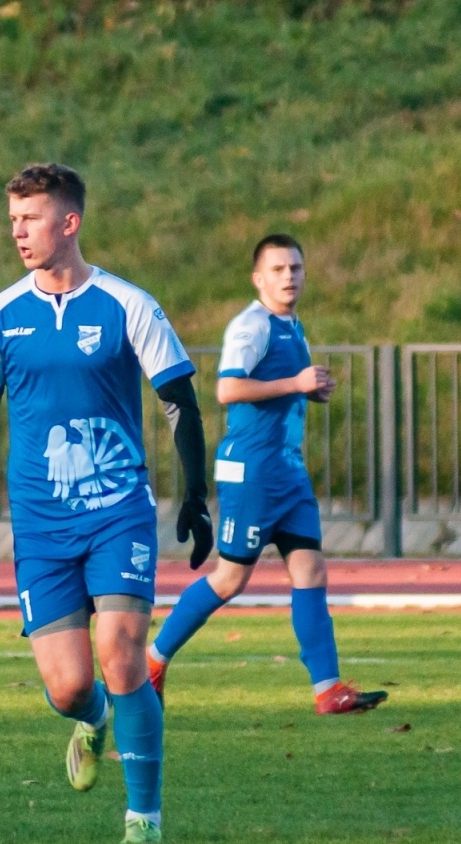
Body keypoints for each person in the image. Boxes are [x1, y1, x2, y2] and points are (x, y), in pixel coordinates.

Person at [0, 163, 212, 844]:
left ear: (69, 222)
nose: (18, 232)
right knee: (70, 686)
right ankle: (93, 720)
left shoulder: (129, 305)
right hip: (41, 526)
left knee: (121, 653)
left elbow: (179, 402)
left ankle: (144, 820)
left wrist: (196, 495)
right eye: (13, 220)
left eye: (31, 218)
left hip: (117, 511)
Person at [146, 234, 387, 715]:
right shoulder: (251, 325)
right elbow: (228, 389)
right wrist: (295, 382)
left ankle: (328, 690)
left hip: (287, 472)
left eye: (295, 268)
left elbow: (278, 388)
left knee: (311, 570)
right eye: (278, 269)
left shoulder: (293, 326)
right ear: (259, 279)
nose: (288, 276)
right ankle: (152, 661)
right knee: (230, 579)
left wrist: (307, 391)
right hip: (252, 473)